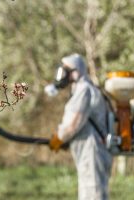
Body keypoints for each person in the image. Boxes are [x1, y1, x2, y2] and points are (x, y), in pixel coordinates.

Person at [45, 53, 112, 200]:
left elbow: (73, 124)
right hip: (89, 151)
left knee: (92, 193)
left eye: (65, 71)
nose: (62, 76)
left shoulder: (84, 90)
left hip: (92, 151)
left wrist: (58, 139)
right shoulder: (82, 89)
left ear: (76, 72)